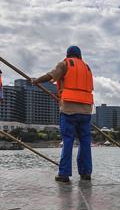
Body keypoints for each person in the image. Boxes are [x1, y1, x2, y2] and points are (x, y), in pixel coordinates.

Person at [32, 46, 93, 183]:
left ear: (68, 54)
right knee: (85, 142)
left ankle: (64, 174)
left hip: (69, 109)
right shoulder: (87, 68)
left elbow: (50, 76)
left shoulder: (65, 64)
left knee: (68, 141)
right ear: (80, 56)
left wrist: (36, 81)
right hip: (86, 110)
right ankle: (86, 173)